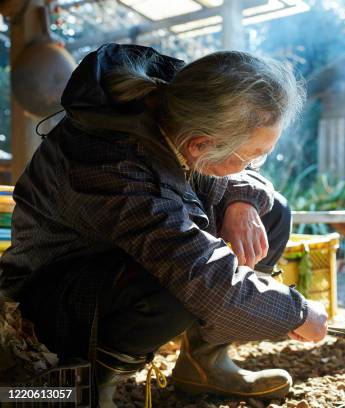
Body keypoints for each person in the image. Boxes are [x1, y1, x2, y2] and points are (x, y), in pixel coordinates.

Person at [0, 43, 328, 406]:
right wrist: (295, 312)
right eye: (253, 155)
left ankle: (204, 365)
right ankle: (93, 384)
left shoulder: (180, 105)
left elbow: (228, 178)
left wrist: (242, 197)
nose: (256, 163)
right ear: (200, 145)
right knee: (178, 281)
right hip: (54, 297)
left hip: (116, 264)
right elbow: (195, 270)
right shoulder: (111, 165)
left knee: (268, 211)